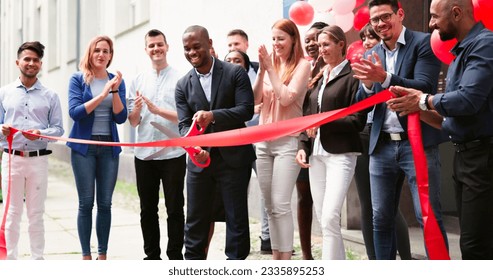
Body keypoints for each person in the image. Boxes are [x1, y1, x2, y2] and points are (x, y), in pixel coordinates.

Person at [388, 0, 493, 260]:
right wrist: (414, 108)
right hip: (466, 158)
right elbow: (452, 120)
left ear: (456, 13)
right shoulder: (462, 51)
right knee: (476, 243)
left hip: (483, 159)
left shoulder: (486, 44)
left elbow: (467, 100)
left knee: (474, 246)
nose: (430, 24)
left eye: (435, 16)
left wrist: (423, 99)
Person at [351, 0, 448, 260]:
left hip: (417, 144)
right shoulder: (374, 53)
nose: (381, 24)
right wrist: (369, 85)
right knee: (380, 218)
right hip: (380, 145)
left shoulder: (423, 43)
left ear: (400, 14)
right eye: (375, 20)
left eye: (386, 17)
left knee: (427, 215)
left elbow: (424, 84)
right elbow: (365, 97)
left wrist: (383, 78)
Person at [175, 25, 256, 260]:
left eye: (196, 46)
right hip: (200, 162)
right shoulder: (182, 85)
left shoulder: (235, 73)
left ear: (209, 43)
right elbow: (183, 126)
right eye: (187, 49)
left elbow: (246, 110)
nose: (191, 52)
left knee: (236, 220)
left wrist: (214, 115)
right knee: (195, 221)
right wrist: (195, 149)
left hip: (234, 159)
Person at [295, 25, 366, 260]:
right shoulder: (317, 77)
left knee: (329, 217)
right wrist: (302, 148)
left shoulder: (353, 76)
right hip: (316, 155)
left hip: (341, 154)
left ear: (340, 45)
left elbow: (358, 119)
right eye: (319, 44)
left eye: (326, 44)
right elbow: (307, 117)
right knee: (323, 217)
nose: (321, 49)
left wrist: (324, 123)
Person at [353, 23, 412, 260]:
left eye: (372, 37)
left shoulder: (389, 64)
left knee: (388, 208)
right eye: (364, 38)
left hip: (390, 135)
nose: (368, 42)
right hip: (368, 134)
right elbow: (359, 99)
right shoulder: (363, 67)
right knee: (372, 208)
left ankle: (406, 258)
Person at [0, 41, 64, 260]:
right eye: (27, 59)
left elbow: (58, 130)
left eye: (35, 60)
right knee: (11, 214)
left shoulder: (51, 96)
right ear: (18, 62)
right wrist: (2, 131)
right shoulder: (4, 93)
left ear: (41, 64)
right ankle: (10, 262)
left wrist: (41, 133)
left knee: (36, 214)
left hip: (38, 161)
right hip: (11, 159)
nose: (31, 63)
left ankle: (38, 261)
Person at [253, 18, 311, 260]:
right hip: (263, 141)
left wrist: (271, 69)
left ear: (293, 40)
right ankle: (276, 256)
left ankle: (285, 260)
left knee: (280, 204)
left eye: (281, 39)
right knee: (269, 207)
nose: (276, 43)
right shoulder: (268, 65)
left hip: (288, 140)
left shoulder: (303, 65)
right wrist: (262, 71)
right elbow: (255, 99)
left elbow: (286, 98)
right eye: (273, 38)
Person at [127, 29, 186, 260]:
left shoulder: (181, 79)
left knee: (174, 209)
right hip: (144, 155)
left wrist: (158, 110)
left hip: (173, 154)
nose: (156, 49)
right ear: (146, 50)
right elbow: (133, 122)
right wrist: (137, 111)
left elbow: (184, 117)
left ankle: (174, 257)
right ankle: (151, 257)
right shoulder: (138, 80)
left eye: (159, 44)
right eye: (151, 46)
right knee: (147, 210)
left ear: (167, 46)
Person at [67, 35, 127, 260]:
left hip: (109, 148)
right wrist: (102, 94)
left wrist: (113, 92)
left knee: (105, 203)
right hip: (84, 149)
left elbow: (121, 118)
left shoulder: (116, 80)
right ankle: (86, 256)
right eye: (97, 50)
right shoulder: (78, 79)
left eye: (106, 51)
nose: (102, 55)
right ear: (90, 54)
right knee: (85, 203)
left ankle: (103, 255)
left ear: (111, 55)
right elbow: (75, 113)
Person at [226, 29, 270, 254]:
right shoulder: (223, 76)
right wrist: (250, 110)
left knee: (266, 189)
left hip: (261, 139)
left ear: (246, 44)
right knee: (237, 193)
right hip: (238, 141)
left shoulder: (257, 70)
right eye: (229, 45)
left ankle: (267, 238)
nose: (233, 48)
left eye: (237, 44)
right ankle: (239, 244)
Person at [295, 21, 328, 260]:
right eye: (306, 40)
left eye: (315, 38)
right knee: (304, 197)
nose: (310, 43)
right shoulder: (304, 68)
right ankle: (307, 256)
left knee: (328, 203)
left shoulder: (335, 67)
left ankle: (331, 251)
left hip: (330, 144)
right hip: (305, 141)